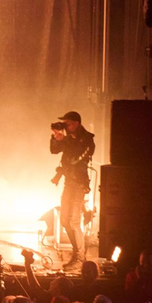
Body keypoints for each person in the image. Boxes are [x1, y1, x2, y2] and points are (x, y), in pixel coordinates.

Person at [50, 110, 95, 268]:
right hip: (68, 183)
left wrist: (65, 140)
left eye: (68, 124)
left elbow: (77, 158)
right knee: (64, 220)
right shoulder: (68, 138)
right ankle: (77, 253)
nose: (66, 127)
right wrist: (55, 138)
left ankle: (79, 257)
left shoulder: (87, 139)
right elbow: (54, 150)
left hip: (79, 184)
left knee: (74, 221)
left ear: (76, 123)